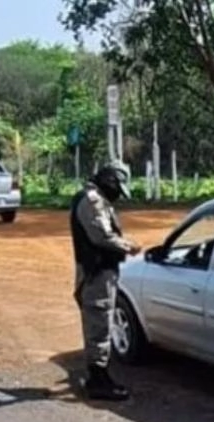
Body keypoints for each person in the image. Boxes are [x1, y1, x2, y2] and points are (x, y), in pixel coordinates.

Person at [69, 163, 142, 401]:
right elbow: (101, 236)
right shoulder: (93, 201)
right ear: (110, 182)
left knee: (98, 322)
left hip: (97, 272)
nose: (118, 195)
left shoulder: (95, 198)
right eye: (117, 188)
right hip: (96, 273)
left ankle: (97, 376)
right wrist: (128, 246)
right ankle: (98, 380)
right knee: (99, 323)